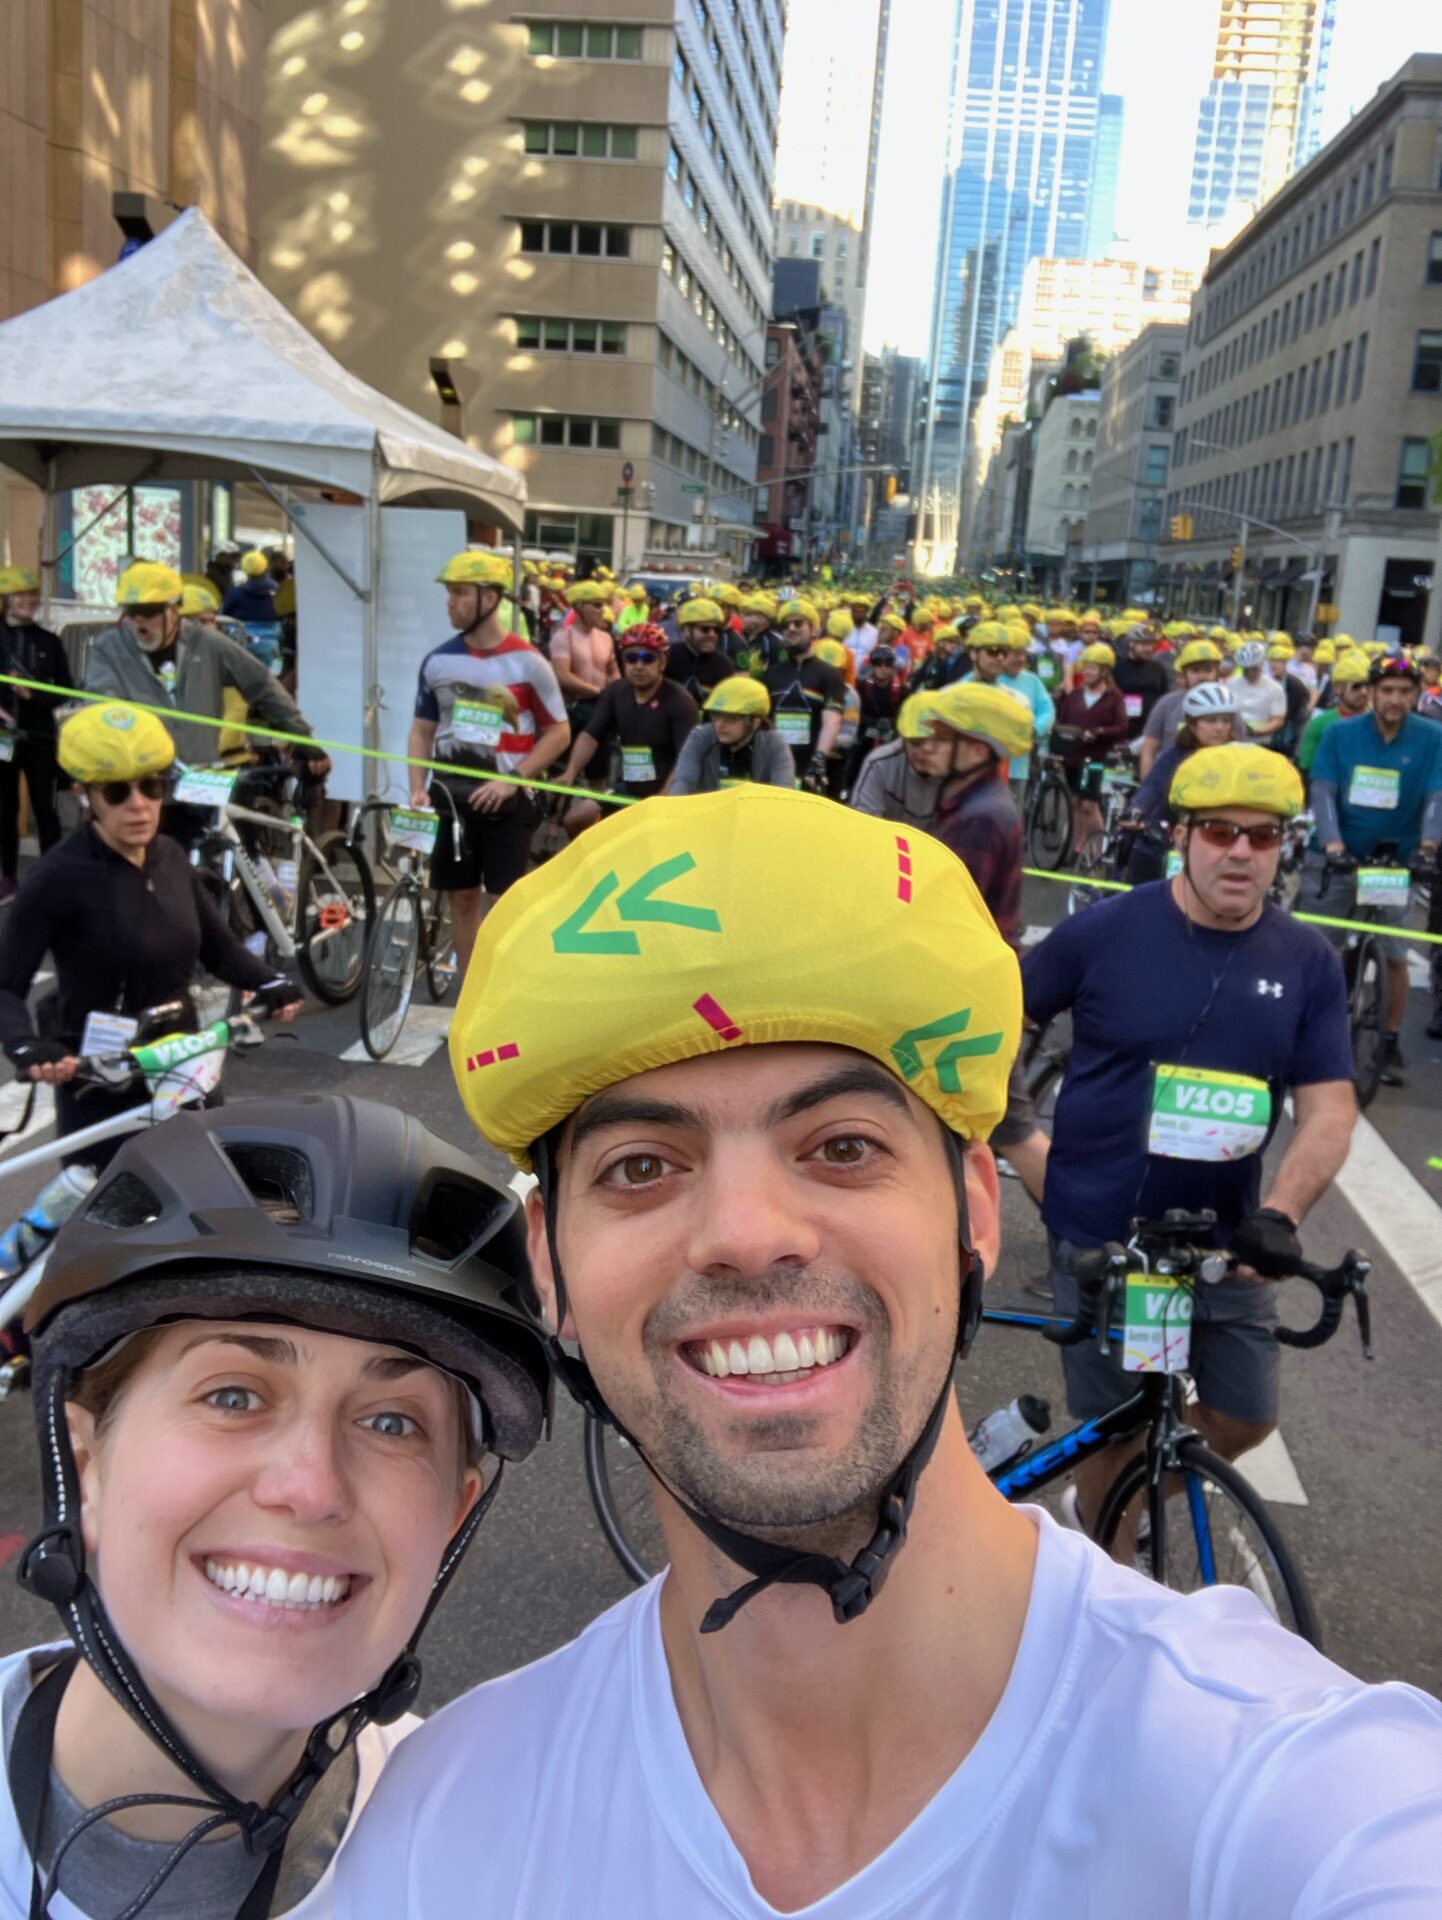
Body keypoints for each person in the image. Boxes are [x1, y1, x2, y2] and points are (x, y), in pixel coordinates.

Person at [339, 782, 1442, 1920]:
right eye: (640, 1167)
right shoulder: (440, 1825)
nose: (745, 1233)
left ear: (975, 1212)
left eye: (843, 1146)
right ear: (549, 1264)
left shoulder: (1290, 1795)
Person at [5, 1094, 551, 1920]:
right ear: (86, 1465)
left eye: (392, 1423)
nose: (311, 1486)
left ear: (452, 1515)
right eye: (233, 1396)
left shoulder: (500, 1872)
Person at [1024, 744, 1357, 1533]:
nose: (1241, 851)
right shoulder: (1104, 932)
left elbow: (1330, 1107)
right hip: (1108, 1238)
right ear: (1181, 836)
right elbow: (998, 1025)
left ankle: (1111, 1507)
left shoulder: (1307, 960)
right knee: (1117, 1429)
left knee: (1245, 1415)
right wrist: (1013, 1137)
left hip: (1227, 1243)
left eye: (1262, 835)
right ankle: (1110, 1560)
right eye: (1219, 831)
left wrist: (1281, 1214)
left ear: (1283, 846)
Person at [0, 703, 302, 1167]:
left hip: (182, 1060)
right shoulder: (58, 877)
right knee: (109, 1198)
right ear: (86, 795)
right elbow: (6, 987)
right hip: (100, 1074)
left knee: (203, 1184)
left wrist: (270, 981)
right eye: (117, 792)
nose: (138, 804)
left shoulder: (172, 857)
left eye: (152, 787)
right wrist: (27, 1047)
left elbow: (220, 949)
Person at [908, 682, 1050, 1200]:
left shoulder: (980, 818)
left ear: (975, 749)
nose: (926, 746)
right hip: (974, 986)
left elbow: (944, 910)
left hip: (970, 994)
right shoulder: (972, 804)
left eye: (940, 737)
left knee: (1014, 1130)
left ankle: (1084, 1238)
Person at [409, 552, 570, 976]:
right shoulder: (438, 661)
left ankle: (503, 993)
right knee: (462, 899)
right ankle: (469, 997)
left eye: (460, 593)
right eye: (450, 593)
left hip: (507, 803)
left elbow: (559, 732)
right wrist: (417, 786)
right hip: (453, 798)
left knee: (503, 906)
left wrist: (513, 779)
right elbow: (422, 730)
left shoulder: (529, 662)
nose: (451, 602)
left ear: (491, 598)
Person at [1299, 650, 1442, 1088]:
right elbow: (1323, 790)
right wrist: (1333, 845)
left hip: (1396, 862)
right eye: (1387, 690)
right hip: (1340, 857)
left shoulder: (1432, 737)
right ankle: (1302, 1029)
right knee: (1318, 949)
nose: (1396, 699)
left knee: (1396, 956)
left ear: (1416, 694)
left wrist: (1428, 847)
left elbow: (1437, 797)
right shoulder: (1340, 733)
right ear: (1372, 693)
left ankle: (1389, 1039)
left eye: (1405, 691)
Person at [84, 563, 330, 799]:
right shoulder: (110, 648)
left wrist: (302, 739)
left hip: (201, 781)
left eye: (149, 612)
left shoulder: (209, 644)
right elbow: (101, 706)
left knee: (216, 828)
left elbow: (263, 686)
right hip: (141, 786)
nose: (139, 621)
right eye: (131, 612)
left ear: (174, 610)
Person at [557, 626, 698, 836]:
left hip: (668, 792)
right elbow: (590, 735)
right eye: (631, 658)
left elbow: (686, 760)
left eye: (647, 658)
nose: (639, 666)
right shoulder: (616, 692)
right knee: (576, 819)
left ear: (662, 663)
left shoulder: (679, 701)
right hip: (629, 789)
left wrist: (663, 799)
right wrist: (570, 772)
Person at [0, 565, 73, 904]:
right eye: (21, 594)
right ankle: (7, 876)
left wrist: (34, 696)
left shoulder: (50, 641)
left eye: (33, 594)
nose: (29, 600)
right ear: (6, 598)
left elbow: (66, 689)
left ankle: (53, 877)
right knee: (5, 808)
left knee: (47, 809)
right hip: (3, 739)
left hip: (40, 737)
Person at [1124, 682, 1239, 882]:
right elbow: (1153, 785)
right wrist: (1137, 809)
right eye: (1211, 720)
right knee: (1142, 861)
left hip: (1219, 836)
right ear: (1193, 725)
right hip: (1171, 830)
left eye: (1225, 720)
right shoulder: (1175, 756)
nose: (1220, 727)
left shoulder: (1239, 758)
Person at [1052, 642, 1128, 855]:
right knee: (1076, 802)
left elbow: (1122, 726)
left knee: (1089, 805)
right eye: (1085, 667)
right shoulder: (1075, 695)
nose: (1086, 672)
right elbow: (1062, 721)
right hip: (1073, 758)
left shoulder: (1114, 697)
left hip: (1097, 758)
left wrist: (1099, 732)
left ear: (1104, 671)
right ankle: (1079, 848)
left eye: (1092, 668)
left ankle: (1098, 851)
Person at [760, 600, 845, 789]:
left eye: (798, 623)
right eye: (786, 625)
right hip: (775, 766)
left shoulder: (830, 674)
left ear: (813, 630)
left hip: (811, 766)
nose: (791, 629)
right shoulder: (770, 675)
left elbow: (832, 721)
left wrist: (819, 759)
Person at [1137, 638, 1246, 777]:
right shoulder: (1166, 704)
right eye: (1195, 671)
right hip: (1171, 780)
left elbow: (1241, 749)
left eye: (1208, 670)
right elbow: (1149, 749)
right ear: (1184, 675)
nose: (1202, 676)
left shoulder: (1229, 705)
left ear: (1216, 673)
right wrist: (1147, 783)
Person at [669, 675, 796, 794]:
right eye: (716, 715)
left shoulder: (774, 744)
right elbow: (683, 782)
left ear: (755, 723)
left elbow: (783, 791)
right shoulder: (700, 738)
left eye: (731, 718)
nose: (719, 725)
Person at [847, 688, 942, 830]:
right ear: (903, 737)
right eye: (916, 741)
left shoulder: (959, 768)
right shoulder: (879, 764)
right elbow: (862, 826)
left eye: (936, 741)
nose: (926, 749)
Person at [548, 583, 617, 733]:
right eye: (597, 605)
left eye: (604, 605)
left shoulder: (606, 638)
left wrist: (614, 692)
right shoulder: (564, 637)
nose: (603, 610)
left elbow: (613, 672)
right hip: (574, 709)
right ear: (579, 606)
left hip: (602, 706)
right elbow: (562, 675)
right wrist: (597, 691)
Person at [1296, 649, 1371, 777]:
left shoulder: (1380, 722)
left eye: (1368, 685)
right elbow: (1306, 768)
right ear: (1337, 688)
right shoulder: (1319, 724)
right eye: (1356, 686)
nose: (1364, 692)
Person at [842, 645, 904, 793]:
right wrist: (873, 723)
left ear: (893, 666)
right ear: (872, 665)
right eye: (878, 664)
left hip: (890, 734)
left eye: (888, 664)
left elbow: (904, 716)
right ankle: (850, 788)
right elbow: (854, 713)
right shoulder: (862, 686)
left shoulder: (902, 689)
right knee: (857, 756)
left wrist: (892, 723)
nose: (883, 668)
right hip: (866, 732)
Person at [664, 598, 736, 704]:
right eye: (705, 629)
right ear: (686, 630)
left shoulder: (724, 664)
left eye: (716, 630)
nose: (712, 635)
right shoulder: (667, 657)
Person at [1112, 623, 1170, 739]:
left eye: (1151, 644)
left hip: (1151, 728)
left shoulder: (1158, 668)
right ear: (1131, 644)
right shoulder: (1118, 668)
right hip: (1125, 727)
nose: (1149, 649)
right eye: (1144, 644)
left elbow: (1164, 697)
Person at [1229, 639, 1287, 741]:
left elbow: (1278, 720)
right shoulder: (1231, 685)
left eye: (1254, 669)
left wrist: (1258, 732)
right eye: (1246, 670)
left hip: (1262, 739)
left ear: (1261, 665)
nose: (1250, 673)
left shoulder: (1275, 688)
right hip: (1235, 738)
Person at [725, 592, 785, 675]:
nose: (753, 620)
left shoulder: (777, 642)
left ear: (768, 620)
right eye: (748, 615)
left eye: (759, 616)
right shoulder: (733, 638)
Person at [220, 550, 278, 626]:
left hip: (241, 632)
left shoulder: (235, 593)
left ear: (244, 568)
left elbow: (223, 614)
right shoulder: (276, 591)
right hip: (272, 632)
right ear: (266, 568)